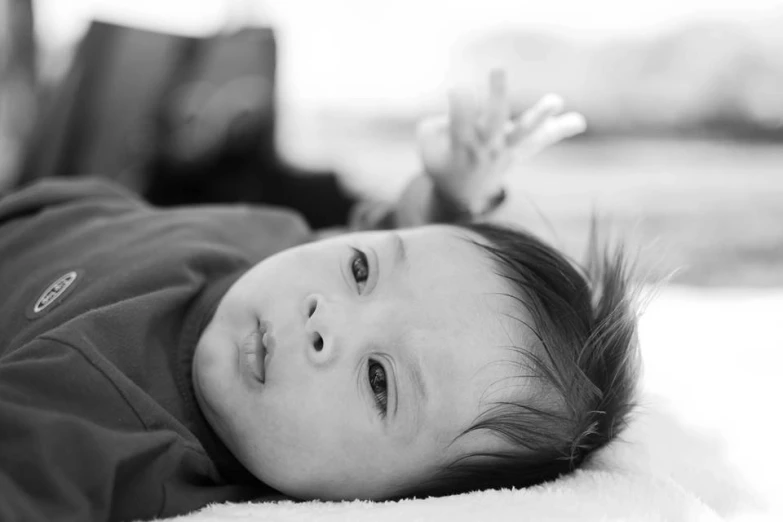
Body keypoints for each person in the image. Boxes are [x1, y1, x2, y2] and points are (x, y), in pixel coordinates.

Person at [0, 70, 640, 521]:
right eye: (360, 272)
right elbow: (394, 243)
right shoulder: (290, 263)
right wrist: (452, 197)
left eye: (380, 382)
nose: (323, 317)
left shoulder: (104, 433)